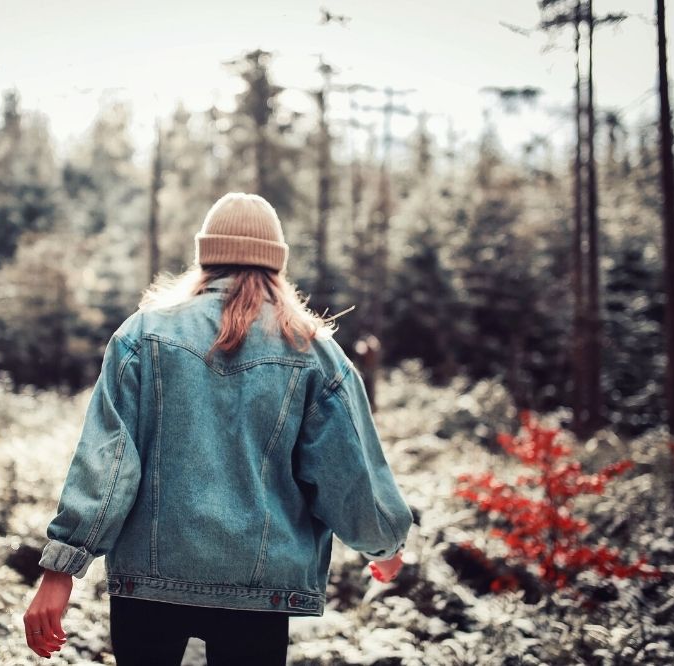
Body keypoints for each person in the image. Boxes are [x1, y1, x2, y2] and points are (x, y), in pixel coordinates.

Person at [23, 192, 414, 664]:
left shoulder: (141, 336)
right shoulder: (315, 353)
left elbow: (106, 465)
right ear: (277, 265)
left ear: (205, 257)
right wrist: (383, 545)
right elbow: (348, 472)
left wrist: (61, 570)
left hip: (149, 584)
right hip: (259, 591)